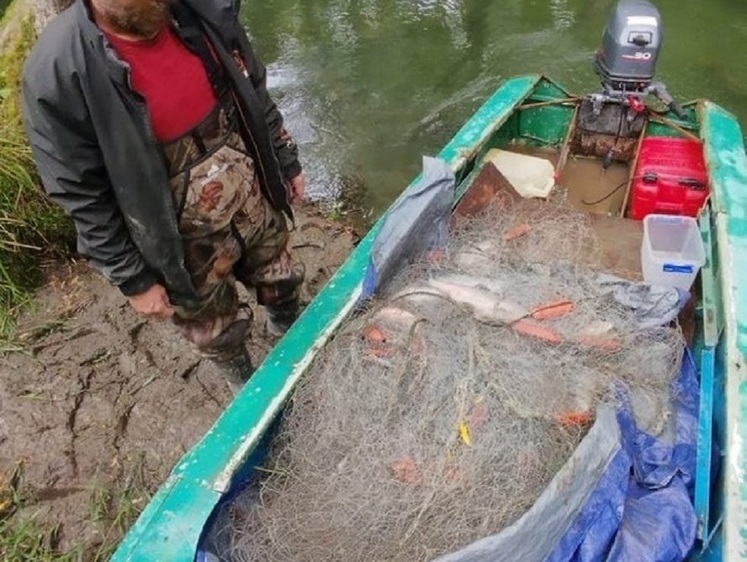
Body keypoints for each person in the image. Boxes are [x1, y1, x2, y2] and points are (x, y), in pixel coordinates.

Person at [21, 0, 306, 393]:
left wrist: (284, 159)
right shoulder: (55, 72)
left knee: (282, 276)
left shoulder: (205, 10)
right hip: (175, 238)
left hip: (251, 194)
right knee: (215, 330)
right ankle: (248, 389)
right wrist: (133, 279)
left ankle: (291, 335)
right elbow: (80, 191)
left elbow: (252, 86)